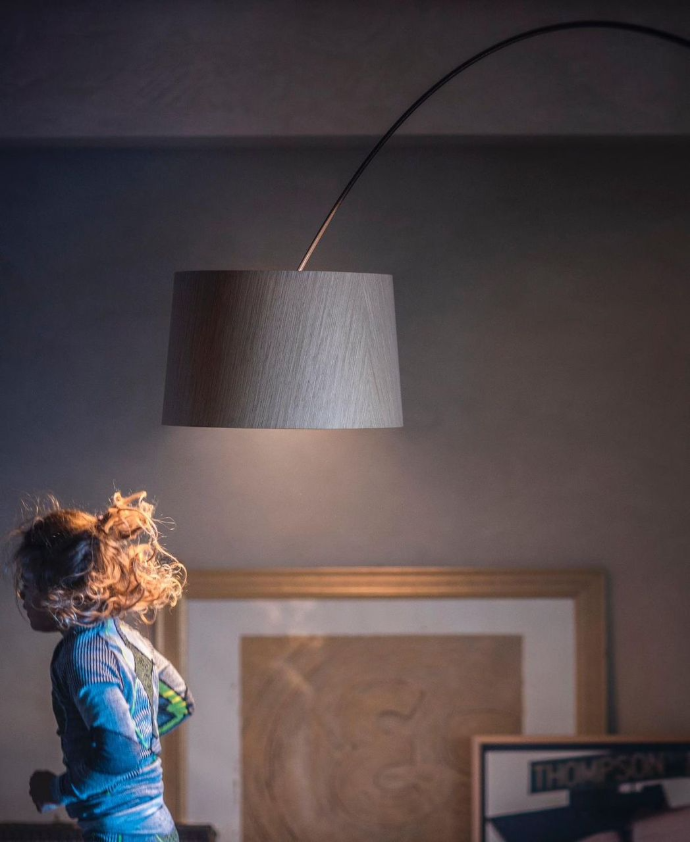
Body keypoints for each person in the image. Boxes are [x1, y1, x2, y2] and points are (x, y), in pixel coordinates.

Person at [8, 490, 194, 842]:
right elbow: (179, 702)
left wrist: (56, 790)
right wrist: (135, 745)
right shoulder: (128, 640)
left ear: (59, 592)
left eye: (26, 585)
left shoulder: (83, 656)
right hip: (159, 830)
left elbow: (121, 755)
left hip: (119, 833)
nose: (22, 597)